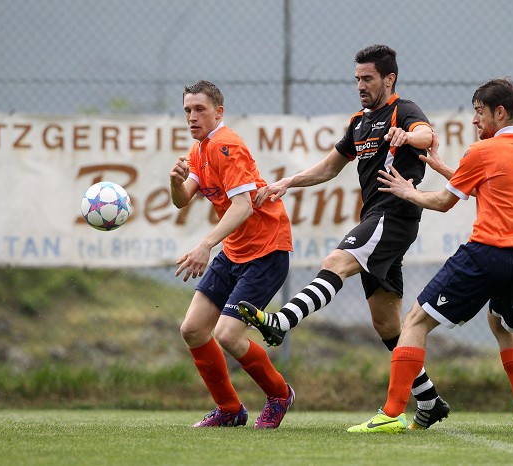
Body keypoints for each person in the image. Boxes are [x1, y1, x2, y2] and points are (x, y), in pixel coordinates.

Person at [238, 44, 449, 430]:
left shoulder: (404, 110)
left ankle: (281, 322)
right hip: (377, 218)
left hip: (395, 214)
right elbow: (329, 168)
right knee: (388, 326)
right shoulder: (360, 122)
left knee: (334, 262)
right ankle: (429, 399)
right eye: (357, 79)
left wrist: (407, 136)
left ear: (389, 79)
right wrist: (289, 181)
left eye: (368, 78)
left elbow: (427, 136)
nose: (361, 85)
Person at [347, 77, 513, 433]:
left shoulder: (482, 152)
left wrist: (406, 191)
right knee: (502, 324)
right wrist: (443, 169)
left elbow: (442, 202)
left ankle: (391, 414)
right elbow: (493, 184)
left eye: (479, 112)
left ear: (499, 113)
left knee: (414, 322)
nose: (474, 120)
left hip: (487, 254)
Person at [170, 80, 295, 429]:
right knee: (193, 329)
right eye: (187, 111)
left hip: (267, 251)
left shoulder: (227, 146)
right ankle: (229, 409)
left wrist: (205, 245)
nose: (192, 117)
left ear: (218, 112)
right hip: (235, 251)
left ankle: (280, 394)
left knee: (227, 335)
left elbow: (242, 207)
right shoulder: (199, 151)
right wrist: (175, 181)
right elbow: (183, 199)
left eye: (200, 110)